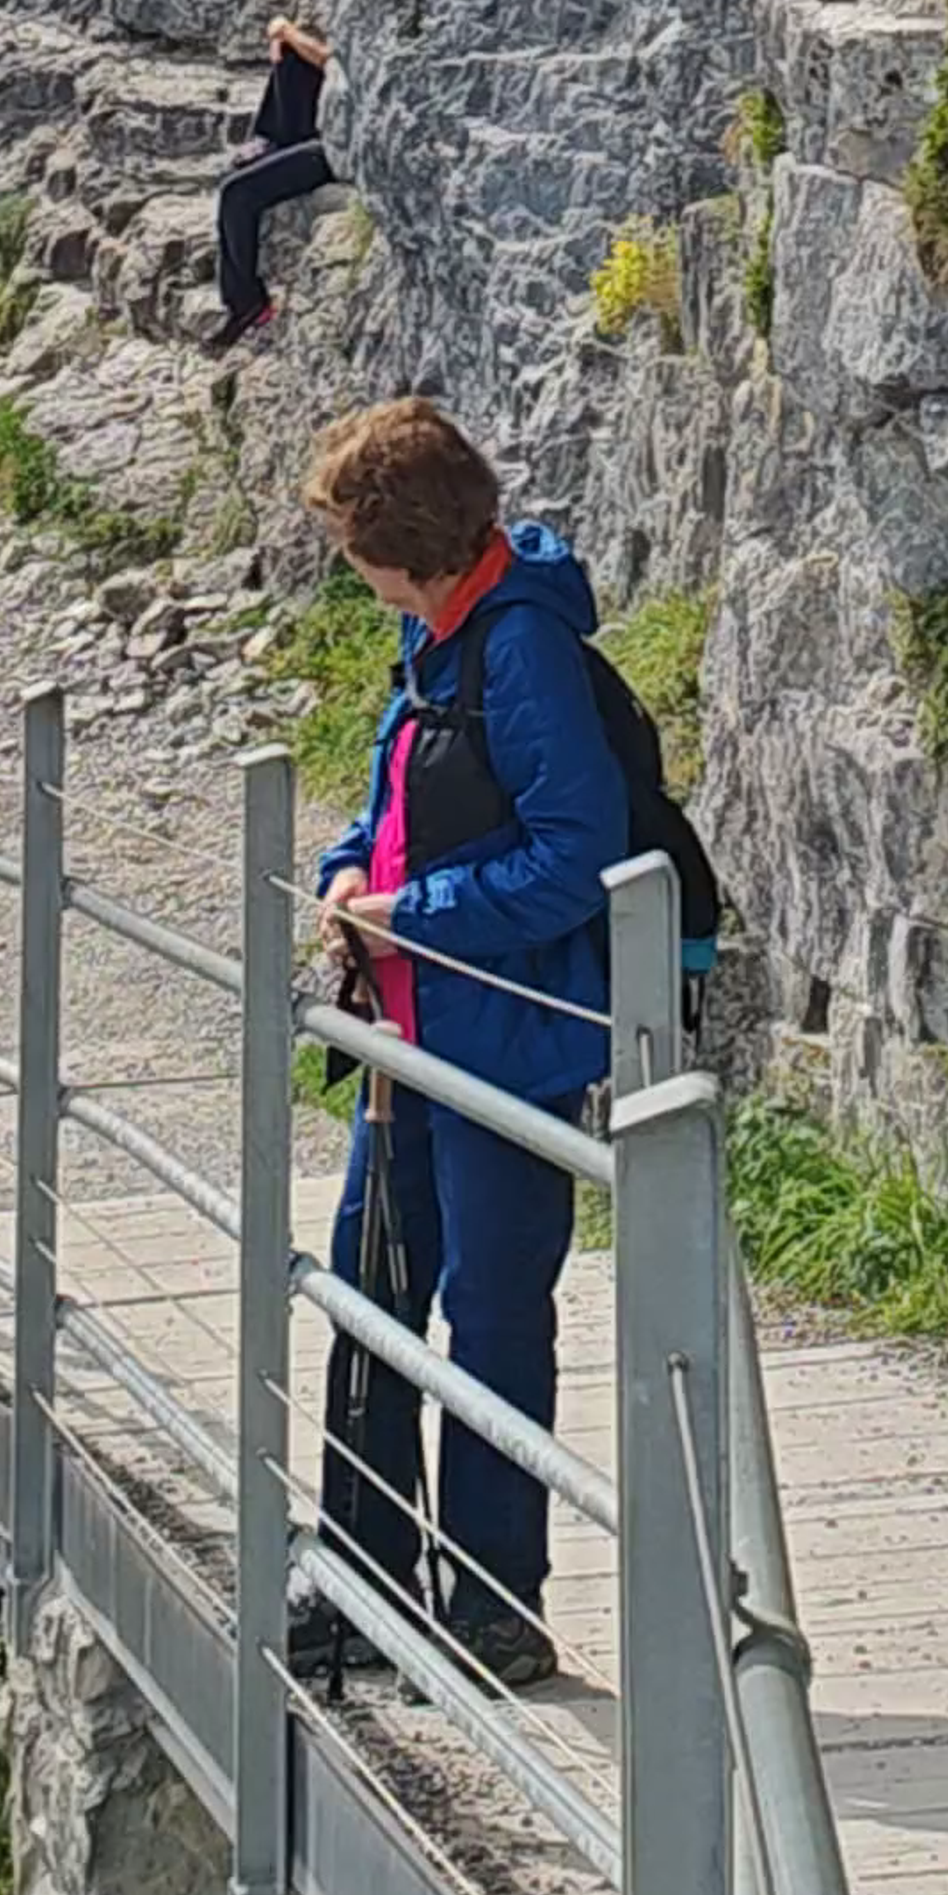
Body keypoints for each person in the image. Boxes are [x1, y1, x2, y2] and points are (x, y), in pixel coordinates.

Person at [302, 397, 625, 1697]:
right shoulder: (434, 633)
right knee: (369, 1286)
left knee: (490, 1315)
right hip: (410, 1038)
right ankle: (361, 1570)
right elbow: (397, 805)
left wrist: (411, 915)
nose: (346, 559)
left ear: (405, 538)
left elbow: (577, 853)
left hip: (503, 1048)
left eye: (352, 536)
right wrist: (345, 873)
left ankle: (496, 1603)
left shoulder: (521, 647)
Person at [214, 8, 338, 354]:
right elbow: (282, 31)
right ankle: (239, 300)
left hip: (330, 147)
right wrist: (281, 36)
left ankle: (249, 302)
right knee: (233, 180)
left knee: (236, 193)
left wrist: (286, 33)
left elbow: (329, 60)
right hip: (298, 137)